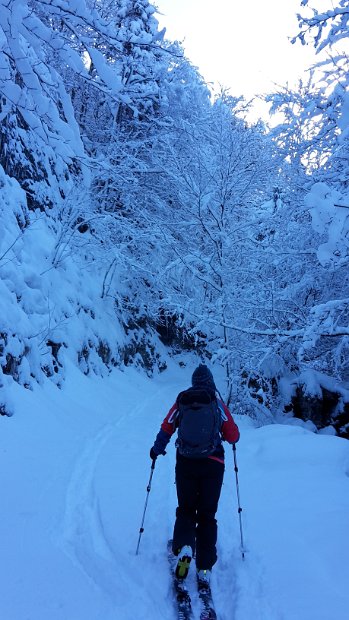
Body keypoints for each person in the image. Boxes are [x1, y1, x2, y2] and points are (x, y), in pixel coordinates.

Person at [150, 364, 240, 586]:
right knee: (207, 515)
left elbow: (167, 426)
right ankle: (205, 568)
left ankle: (184, 547)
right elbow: (233, 435)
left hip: (186, 464)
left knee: (186, 509)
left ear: (193, 382)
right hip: (213, 465)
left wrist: (156, 449)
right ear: (210, 382)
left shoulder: (183, 400)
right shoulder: (216, 403)